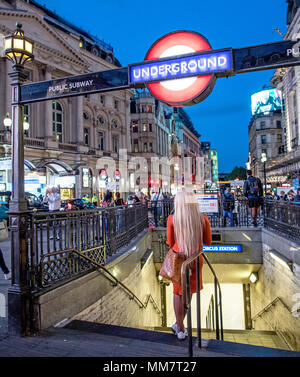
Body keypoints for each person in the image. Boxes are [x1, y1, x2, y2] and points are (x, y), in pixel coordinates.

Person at [167, 190, 212, 340]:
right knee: (189, 292)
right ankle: (179, 325)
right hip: (195, 259)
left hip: (179, 260)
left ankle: (180, 328)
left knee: (177, 293)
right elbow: (208, 242)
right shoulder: (202, 218)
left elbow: (170, 242)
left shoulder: (172, 219)